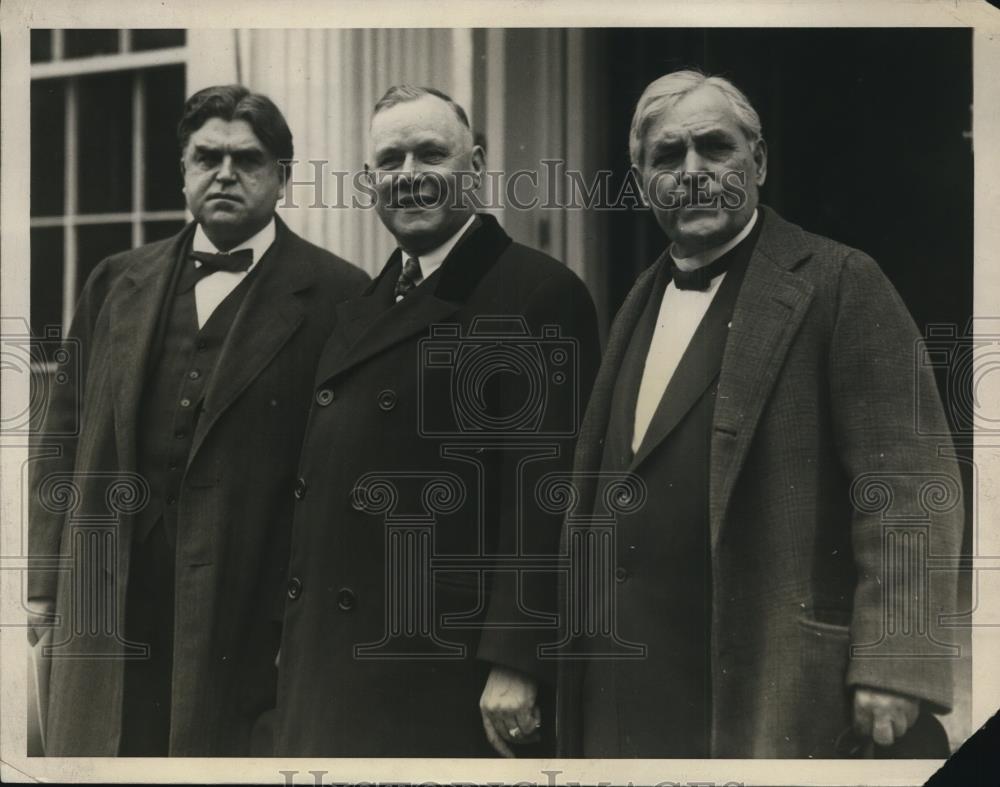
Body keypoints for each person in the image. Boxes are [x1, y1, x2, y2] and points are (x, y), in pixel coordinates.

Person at [554, 70, 963, 758]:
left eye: (714, 147)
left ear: (760, 161)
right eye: (666, 156)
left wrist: (896, 662)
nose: (691, 172)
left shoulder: (839, 282)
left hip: (765, 684)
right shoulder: (635, 302)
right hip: (627, 686)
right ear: (641, 179)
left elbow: (912, 481)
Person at [27, 84, 370, 756]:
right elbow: (59, 437)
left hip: (244, 607)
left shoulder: (341, 295)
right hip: (111, 590)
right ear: (182, 171)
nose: (225, 174)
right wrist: (43, 585)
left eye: (248, 160)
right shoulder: (115, 280)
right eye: (206, 157)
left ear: (283, 177)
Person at [272, 85, 600, 757]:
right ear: (369, 182)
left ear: (476, 166)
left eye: (431, 154)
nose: (409, 175)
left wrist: (518, 659)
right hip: (337, 661)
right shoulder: (367, 301)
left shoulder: (536, 292)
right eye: (390, 160)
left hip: (446, 665)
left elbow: (549, 493)